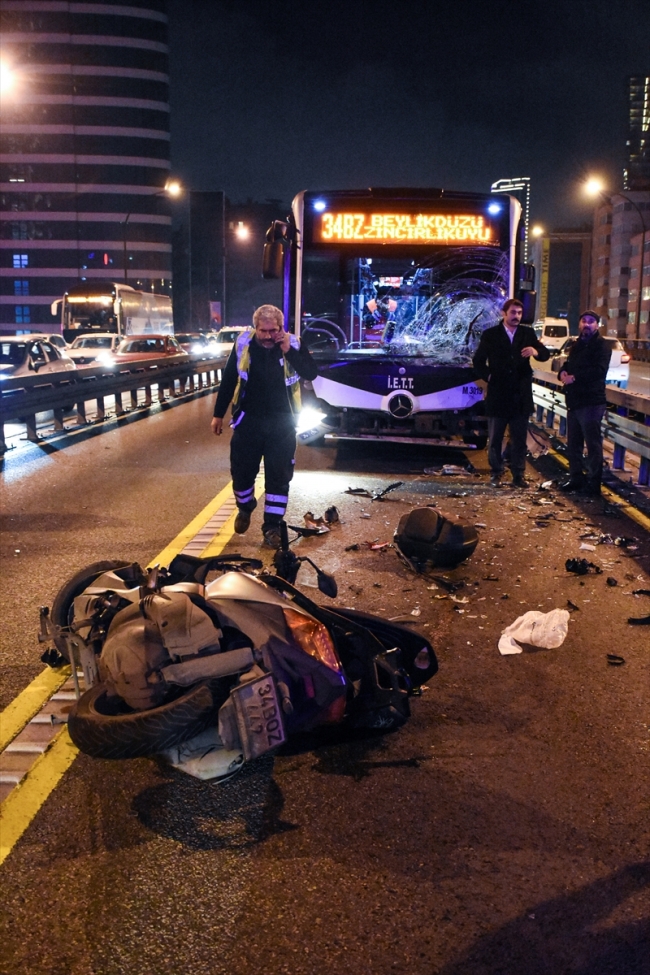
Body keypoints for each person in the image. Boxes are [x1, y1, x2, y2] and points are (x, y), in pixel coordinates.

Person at [211, 304, 318, 548]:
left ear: (282, 328)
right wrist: (218, 414)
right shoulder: (243, 344)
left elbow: (311, 373)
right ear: (255, 328)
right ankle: (245, 506)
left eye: (274, 331)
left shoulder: (294, 344)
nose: (269, 336)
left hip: (283, 424)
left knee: (279, 477)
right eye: (263, 331)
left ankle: (272, 526)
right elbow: (229, 379)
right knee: (241, 473)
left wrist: (289, 351)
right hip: (248, 421)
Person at [472, 298, 550, 488]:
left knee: (519, 439)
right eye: (513, 312)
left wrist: (535, 351)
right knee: (495, 438)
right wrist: (489, 376)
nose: (517, 316)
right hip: (498, 394)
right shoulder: (491, 335)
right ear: (504, 313)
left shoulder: (527, 333)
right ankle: (496, 472)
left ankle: (518, 475)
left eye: (519, 313)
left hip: (520, 395)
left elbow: (545, 354)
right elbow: (478, 361)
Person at [557, 310, 611, 497]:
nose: (587, 324)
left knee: (593, 445)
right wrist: (563, 373)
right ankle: (576, 478)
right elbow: (569, 364)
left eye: (591, 321)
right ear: (579, 324)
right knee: (574, 444)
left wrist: (575, 378)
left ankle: (594, 484)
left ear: (597, 325)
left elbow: (599, 370)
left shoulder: (602, 346)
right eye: (584, 321)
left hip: (592, 402)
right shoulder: (576, 344)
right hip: (574, 401)